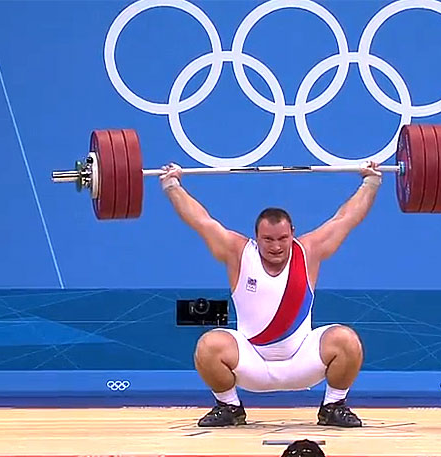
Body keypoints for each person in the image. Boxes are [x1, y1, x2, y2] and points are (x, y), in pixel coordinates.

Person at [159, 160, 383, 428]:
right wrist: (172, 184)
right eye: (268, 239)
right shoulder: (238, 252)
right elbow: (201, 221)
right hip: (251, 362)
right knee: (208, 346)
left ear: (292, 234)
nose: (276, 246)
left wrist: (370, 182)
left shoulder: (308, 251)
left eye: (282, 239)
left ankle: (333, 406)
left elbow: (346, 219)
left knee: (346, 340)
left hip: (303, 361)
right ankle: (230, 407)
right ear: (256, 237)